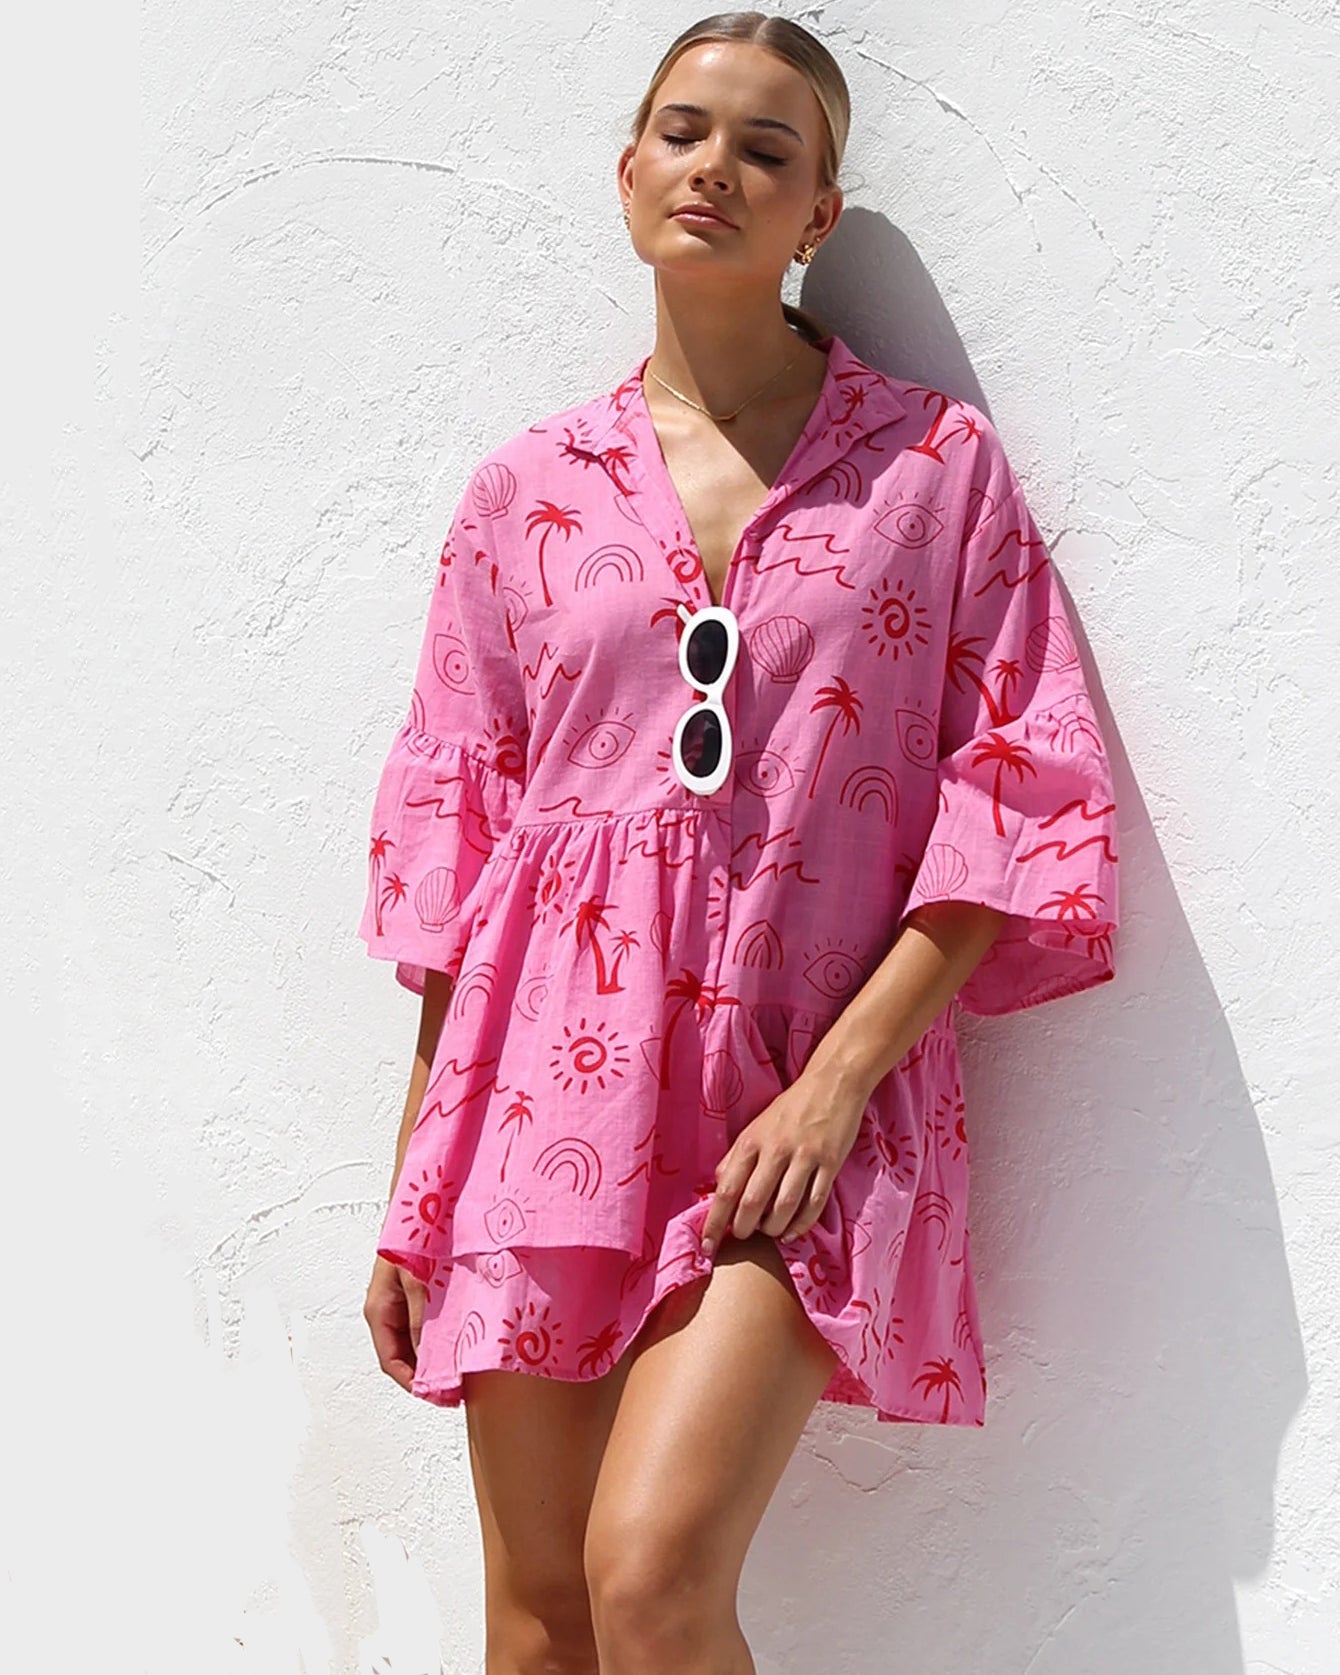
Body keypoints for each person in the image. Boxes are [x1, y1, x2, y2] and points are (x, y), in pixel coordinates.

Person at [359, 12, 1120, 1673]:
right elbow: (458, 856)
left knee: (650, 1584)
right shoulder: (525, 488)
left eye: (767, 149)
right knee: (542, 1627)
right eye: (684, 132)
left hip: (808, 1094)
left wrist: (841, 1084)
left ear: (817, 214)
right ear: (629, 170)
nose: (716, 167)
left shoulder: (933, 471)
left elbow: (1019, 791)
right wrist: (417, 1191)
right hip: (542, 1095)